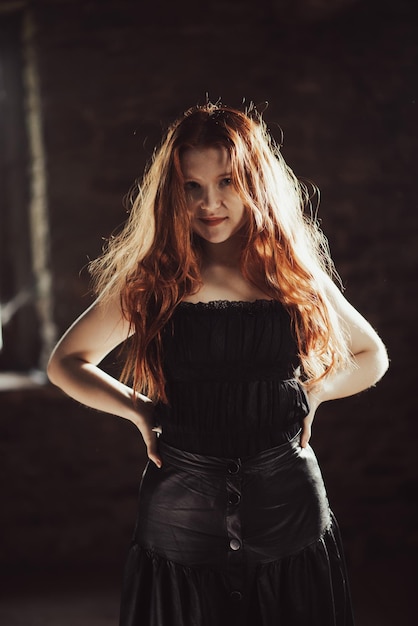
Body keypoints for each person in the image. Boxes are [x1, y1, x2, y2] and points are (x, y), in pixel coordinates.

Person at [47, 102, 389, 626]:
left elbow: (371, 356)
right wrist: (137, 409)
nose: (210, 203)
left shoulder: (291, 275)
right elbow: (67, 362)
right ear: (172, 192)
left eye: (227, 181)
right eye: (192, 185)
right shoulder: (155, 281)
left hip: (288, 502)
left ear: (254, 180)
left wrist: (315, 392)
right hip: (180, 506)